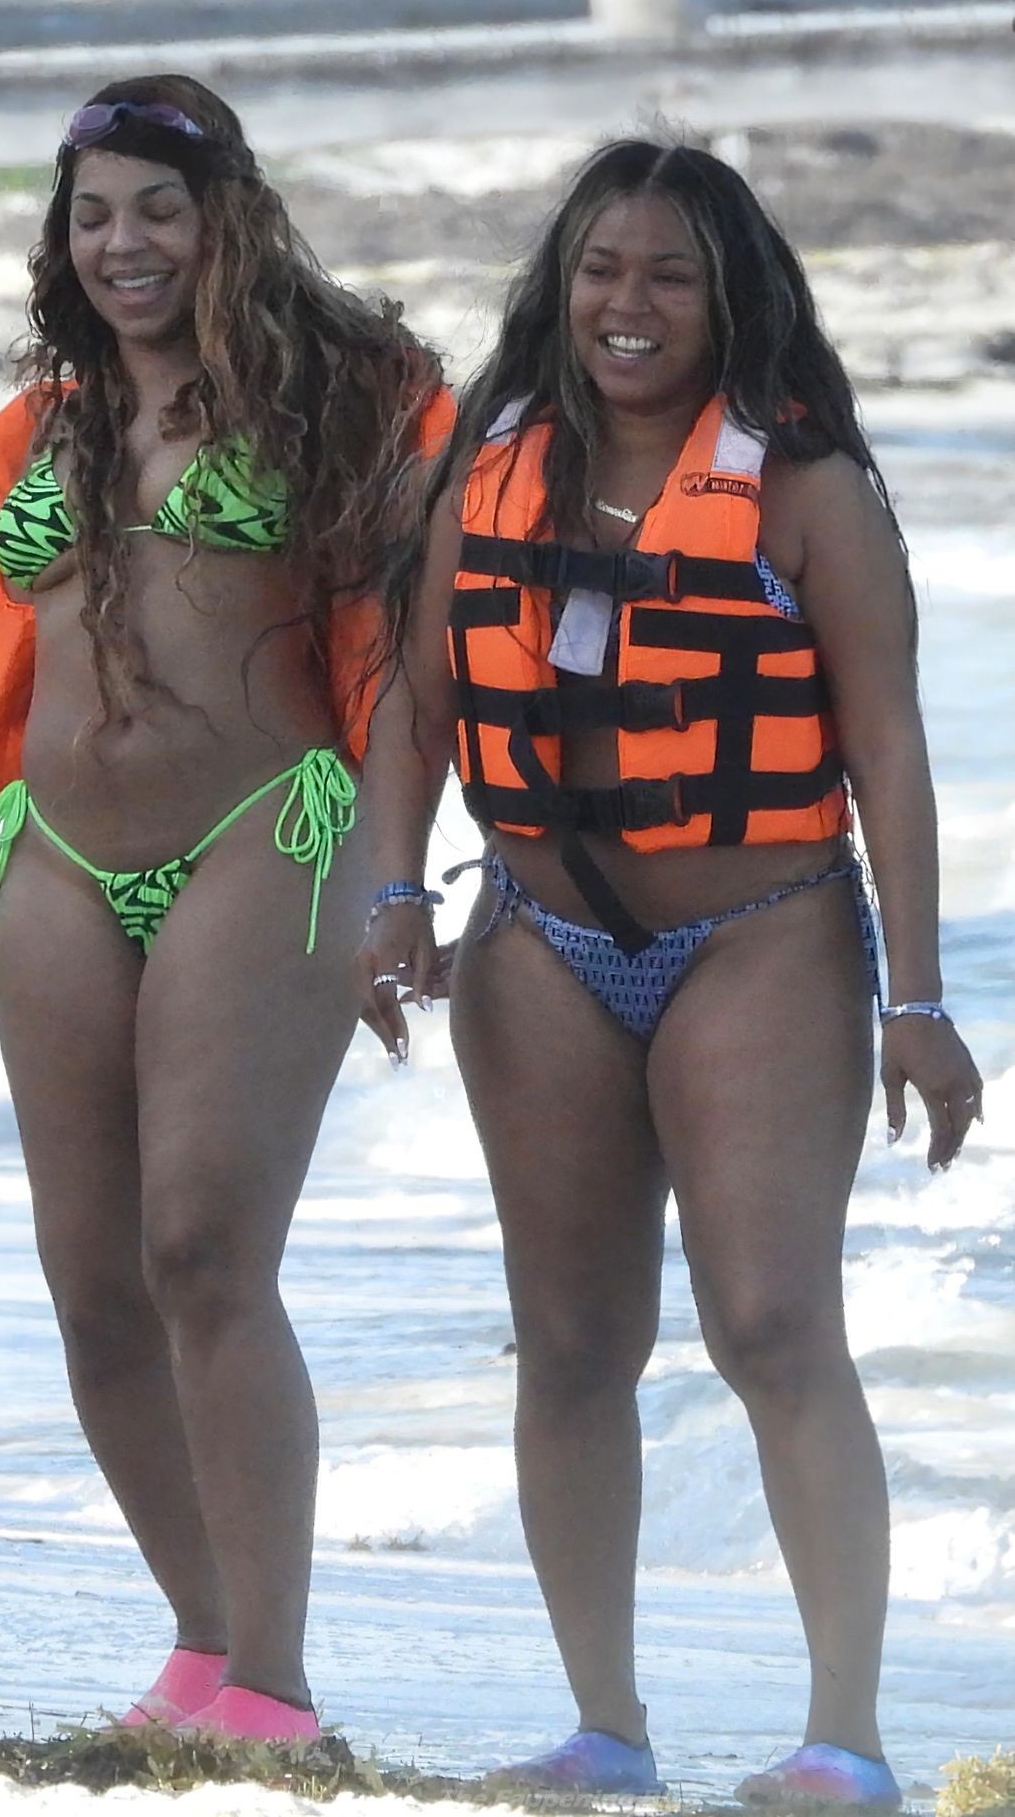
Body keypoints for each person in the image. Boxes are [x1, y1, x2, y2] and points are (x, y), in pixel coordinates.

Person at [360, 139, 983, 1805]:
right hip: (536, 942)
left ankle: (844, 1739)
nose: (624, 304)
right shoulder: (485, 471)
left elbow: (890, 755)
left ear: (730, 298)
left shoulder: (806, 489)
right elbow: (413, 704)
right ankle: (603, 1730)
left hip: (759, 935)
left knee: (771, 1326)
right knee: (569, 1342)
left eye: (667, 275)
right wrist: (387, 895)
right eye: (598, 269)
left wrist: (918, 1002)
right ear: (558, 286)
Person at [0, 74, 446, 1744]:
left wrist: (400, 876)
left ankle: (277, 1686)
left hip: (267, 831)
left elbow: (418, 656)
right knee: (92, 1282)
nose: (123, 244)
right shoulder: (45, 420)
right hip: (55, 851)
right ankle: (200, 1648)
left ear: (224, 219)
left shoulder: (344, 396)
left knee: (201, 1250)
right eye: (93, 214)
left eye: (158, 211)